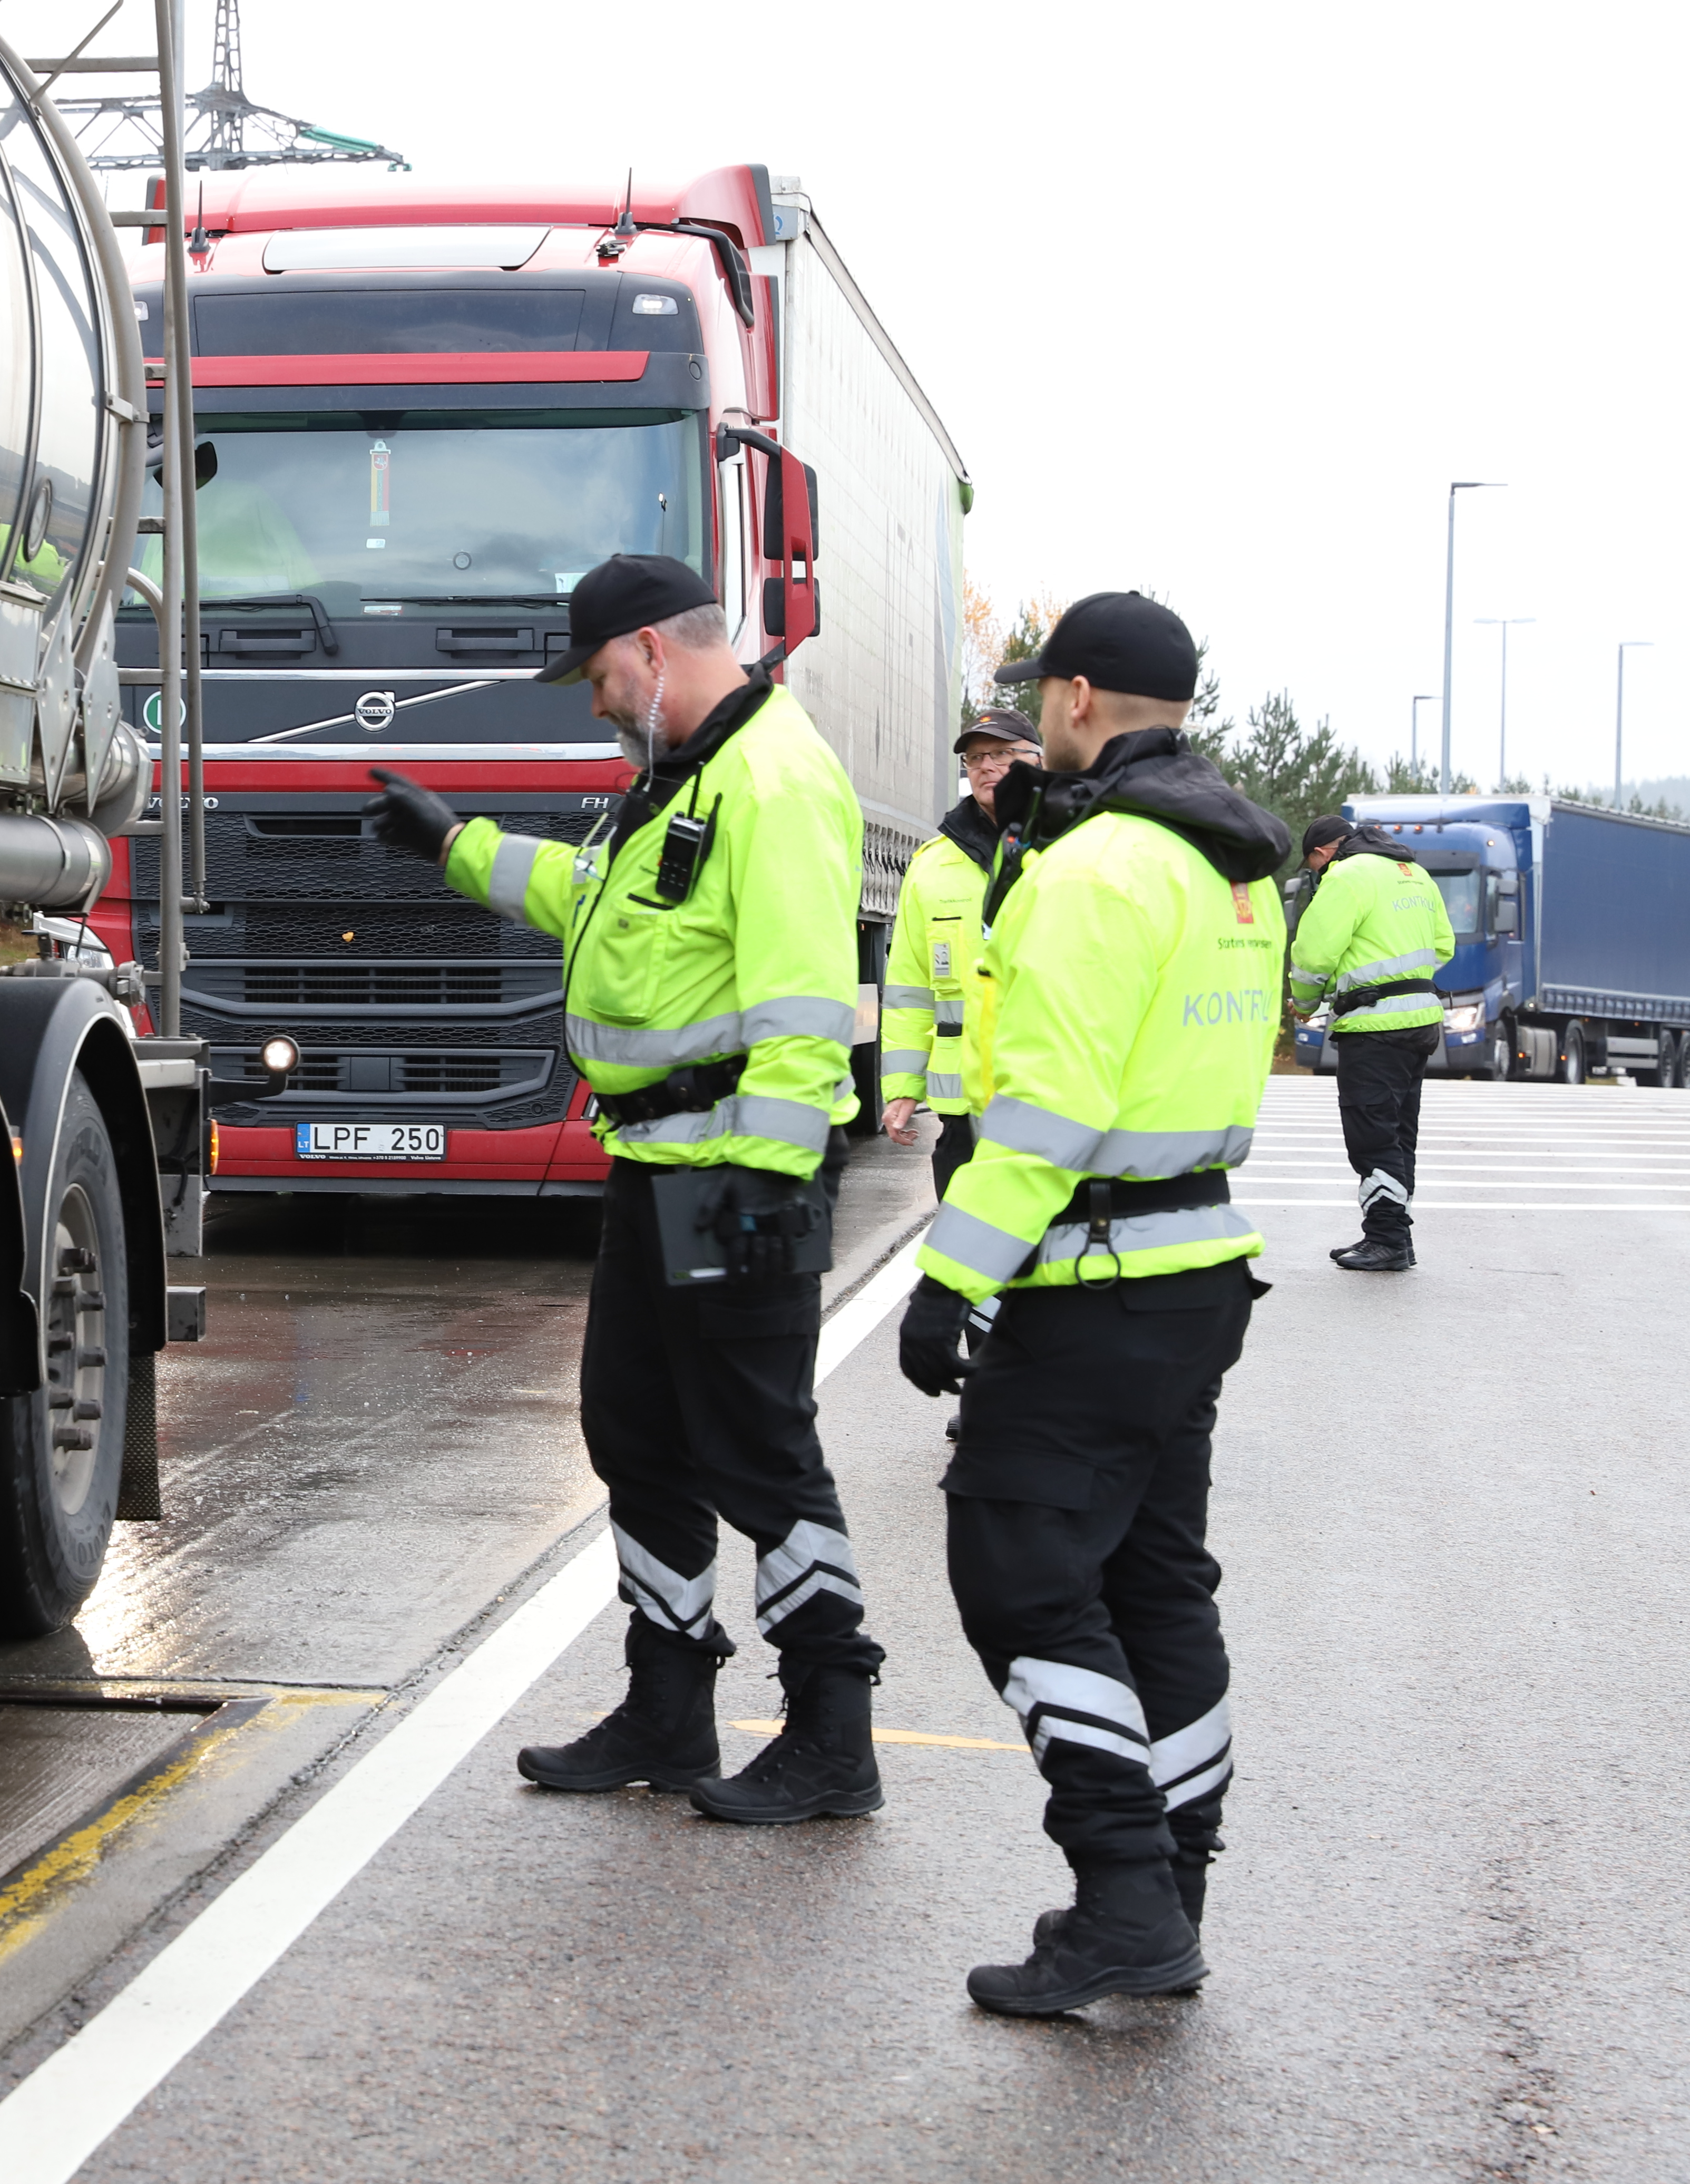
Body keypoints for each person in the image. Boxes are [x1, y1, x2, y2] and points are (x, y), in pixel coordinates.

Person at [371, 554, 886, 1827]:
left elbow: (802, 1023)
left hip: (741, 1179)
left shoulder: (774, 781)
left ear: (654, 651)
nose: (594, 702)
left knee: (759, 1453)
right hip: (655, 1171)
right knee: (633, 1434)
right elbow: (594, 906)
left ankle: (831, 1730)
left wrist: (760, 1215)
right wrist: (455, 843)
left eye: (600, 676)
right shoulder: (675, 784)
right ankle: (669, 1702)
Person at [895, 590, 1292, 2015]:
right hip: (1193, 1273)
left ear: (1071, 701)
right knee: (1152, 1582)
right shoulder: (1235, 865)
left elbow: (1051, 1116)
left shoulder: (1099, 868)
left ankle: (1124, 1895)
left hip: (1099, 1279)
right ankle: (1172, 1885)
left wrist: (949, 1282)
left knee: (1013, 1565)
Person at [881, 709, 1047, 1199]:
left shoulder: (1071, 845)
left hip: (1052, 1100)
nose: (985, 766)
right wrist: (903, 1088)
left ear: (1037, 760)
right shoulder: (932, 867)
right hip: (963, 1116)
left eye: (1001, 754)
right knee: (964, 1264)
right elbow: (910, 989)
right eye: (975, 758)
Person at [1287, 814, 1455, 1272]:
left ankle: (1387, 1239)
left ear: (1323, 854)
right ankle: (1395, 1231)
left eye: (1314, 867)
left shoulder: (1348, 875)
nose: (1318, 875)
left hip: (1374, 1026)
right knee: (1399, 1133)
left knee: (1372, 1134)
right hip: (1420, 1022)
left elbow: (1313, 954)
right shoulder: (1414, 873)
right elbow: (1443, 946)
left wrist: (1306, 1002)